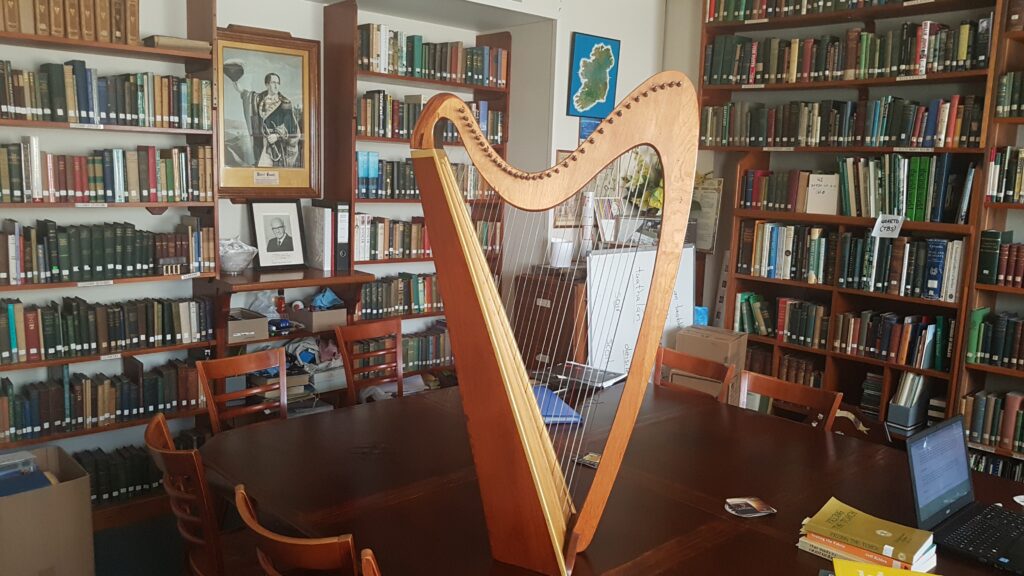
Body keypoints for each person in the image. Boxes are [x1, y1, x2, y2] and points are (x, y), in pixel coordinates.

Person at [227, 70, 302, 168]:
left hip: (276, 145)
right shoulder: (259, 98)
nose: (276, 86)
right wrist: (235, 82)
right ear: (267, 84)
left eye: (278, 83)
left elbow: (291, 127)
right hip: (260, 141)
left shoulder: (285, 103)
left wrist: (277, 135)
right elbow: (247, 95)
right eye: (273, 83)